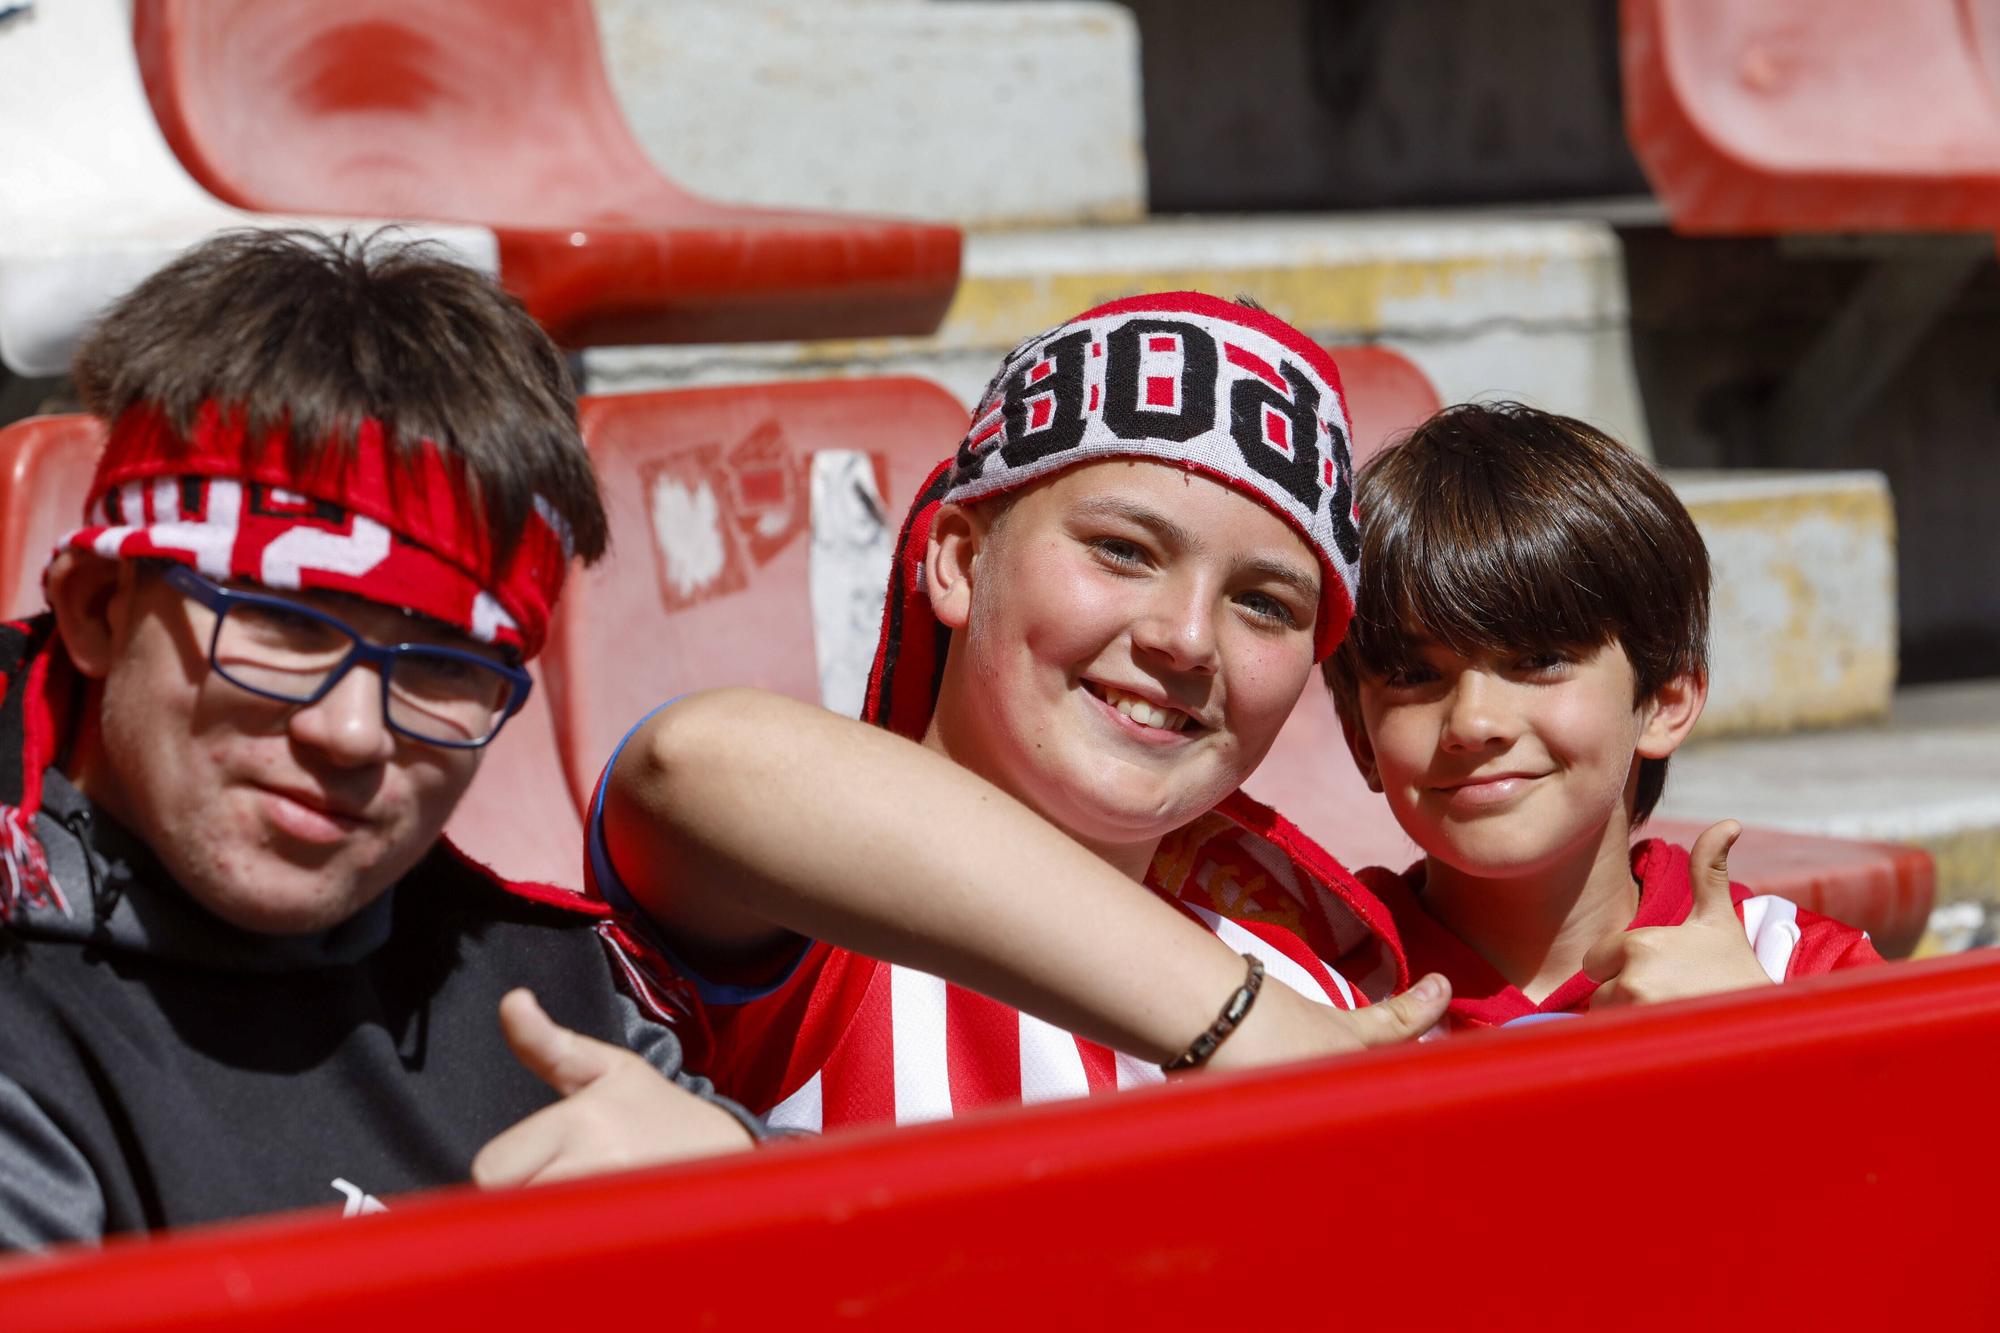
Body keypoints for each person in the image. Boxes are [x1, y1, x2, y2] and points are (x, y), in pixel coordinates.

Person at [0, 230, 756, 1249]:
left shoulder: (541, 997)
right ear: (97, 609)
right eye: (286, 625)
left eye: (448, 666)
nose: (353, 732)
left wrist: (751, 1196)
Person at [562, 292, 1451, 1141]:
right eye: (1121, 549)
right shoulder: (805, 933)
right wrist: (1232, 1016)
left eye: (1264, 604)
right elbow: (695, 759)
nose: (1186, 639)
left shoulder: (1325, 1011)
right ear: (957, 561)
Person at [1320, 402, 1880, 1032]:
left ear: (1664, 702)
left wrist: (1758, 1047)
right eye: (1413, 675)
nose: (1473, 723)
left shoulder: (1795, 973)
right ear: (1361, 740)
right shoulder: (1314, 996)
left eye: (1538, 659)